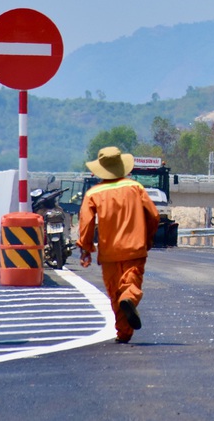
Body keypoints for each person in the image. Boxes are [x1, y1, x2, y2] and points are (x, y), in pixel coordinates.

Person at [76, 146, 160, 344]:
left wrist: (86, 248)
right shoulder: (135, 188)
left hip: (109, 253)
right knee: (130, 284)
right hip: (135, 249)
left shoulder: (93, 193)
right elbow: (154, 215)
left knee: (114, 292)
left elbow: (86, 223)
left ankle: (124, 333)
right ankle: (129, 298)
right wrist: (147, 239)